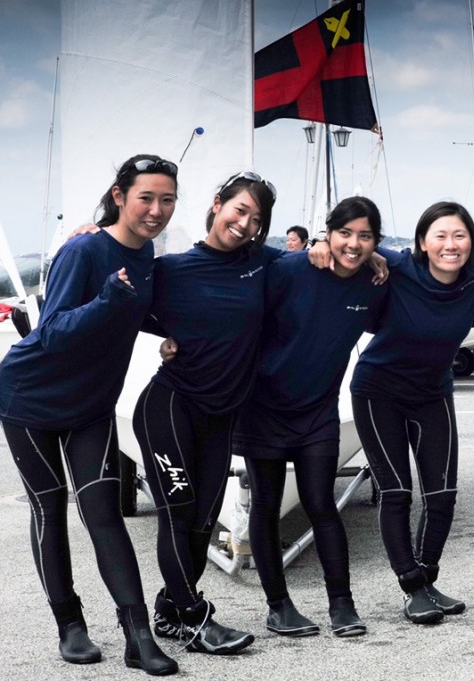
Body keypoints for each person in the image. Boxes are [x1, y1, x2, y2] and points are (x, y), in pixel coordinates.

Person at [0, 155, 179, 675]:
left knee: (103, 513)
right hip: (30, 399)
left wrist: (174, 332)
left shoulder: (147, 256)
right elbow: (52, 330)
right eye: (145, 198)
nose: (156, 210)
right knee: (50, 508)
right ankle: (70, 626)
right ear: (119, 196)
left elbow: (138, 310)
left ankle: (138, 637)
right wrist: (107, 300)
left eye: (167, 200)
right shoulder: (83, 249)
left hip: (91, 405)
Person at [133, 172, 278, 656]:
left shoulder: (261, 263)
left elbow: (321, 261)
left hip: (222, 415)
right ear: (217, 204)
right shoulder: (172, 269)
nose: (245, 224)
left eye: (256, 218)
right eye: (240, 209)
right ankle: (196, 619)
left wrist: (378, 257)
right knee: (178, 515)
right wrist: (163, 336)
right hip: (170, 406)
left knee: (202, 523)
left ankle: (170, 611)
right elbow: (121, 296)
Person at [235, 197, 387, 638]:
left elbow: (414, 260)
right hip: (263, 405)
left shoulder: (372, 282)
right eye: (345, 234)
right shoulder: (291, 268)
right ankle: (278, 607)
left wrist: (377, 256)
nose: (354, 244)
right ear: (328, 232)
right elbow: (243, 264)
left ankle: (342, 603)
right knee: (266, 504)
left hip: (318, 410)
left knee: (321, 502)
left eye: (365, 237)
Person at [347, 202, 474, 624]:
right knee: (396, 493)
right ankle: (412, 587)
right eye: (440, 236)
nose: (451, 244)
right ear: (422, 243)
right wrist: (323, 244)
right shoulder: (398, 266)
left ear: (472, 243)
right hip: (378, 393)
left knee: (443, 495)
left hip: (432, 395)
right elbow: (349, 246)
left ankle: (426, 579)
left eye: (460, 236)